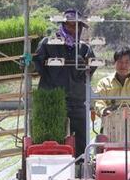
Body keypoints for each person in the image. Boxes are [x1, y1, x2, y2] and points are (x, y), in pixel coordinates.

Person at [33, 9, 96, 158]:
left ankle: (80, 167)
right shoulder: (48, 44)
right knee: (52, 138)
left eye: (77, 26)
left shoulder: (84, 48)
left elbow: (90, 71)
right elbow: (38, 66)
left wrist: (80, 68)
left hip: (77, 100)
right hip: (53, 100)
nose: (74, 29)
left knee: (81, 140)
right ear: (63, 25)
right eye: (70, 25)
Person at [94, 46, 130, 117]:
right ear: (115, 63)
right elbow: (99, 102)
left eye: (127, 62)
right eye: (120, 62)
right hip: (110, 122)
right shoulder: (104, 83)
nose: (123, 65)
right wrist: (103, 111)